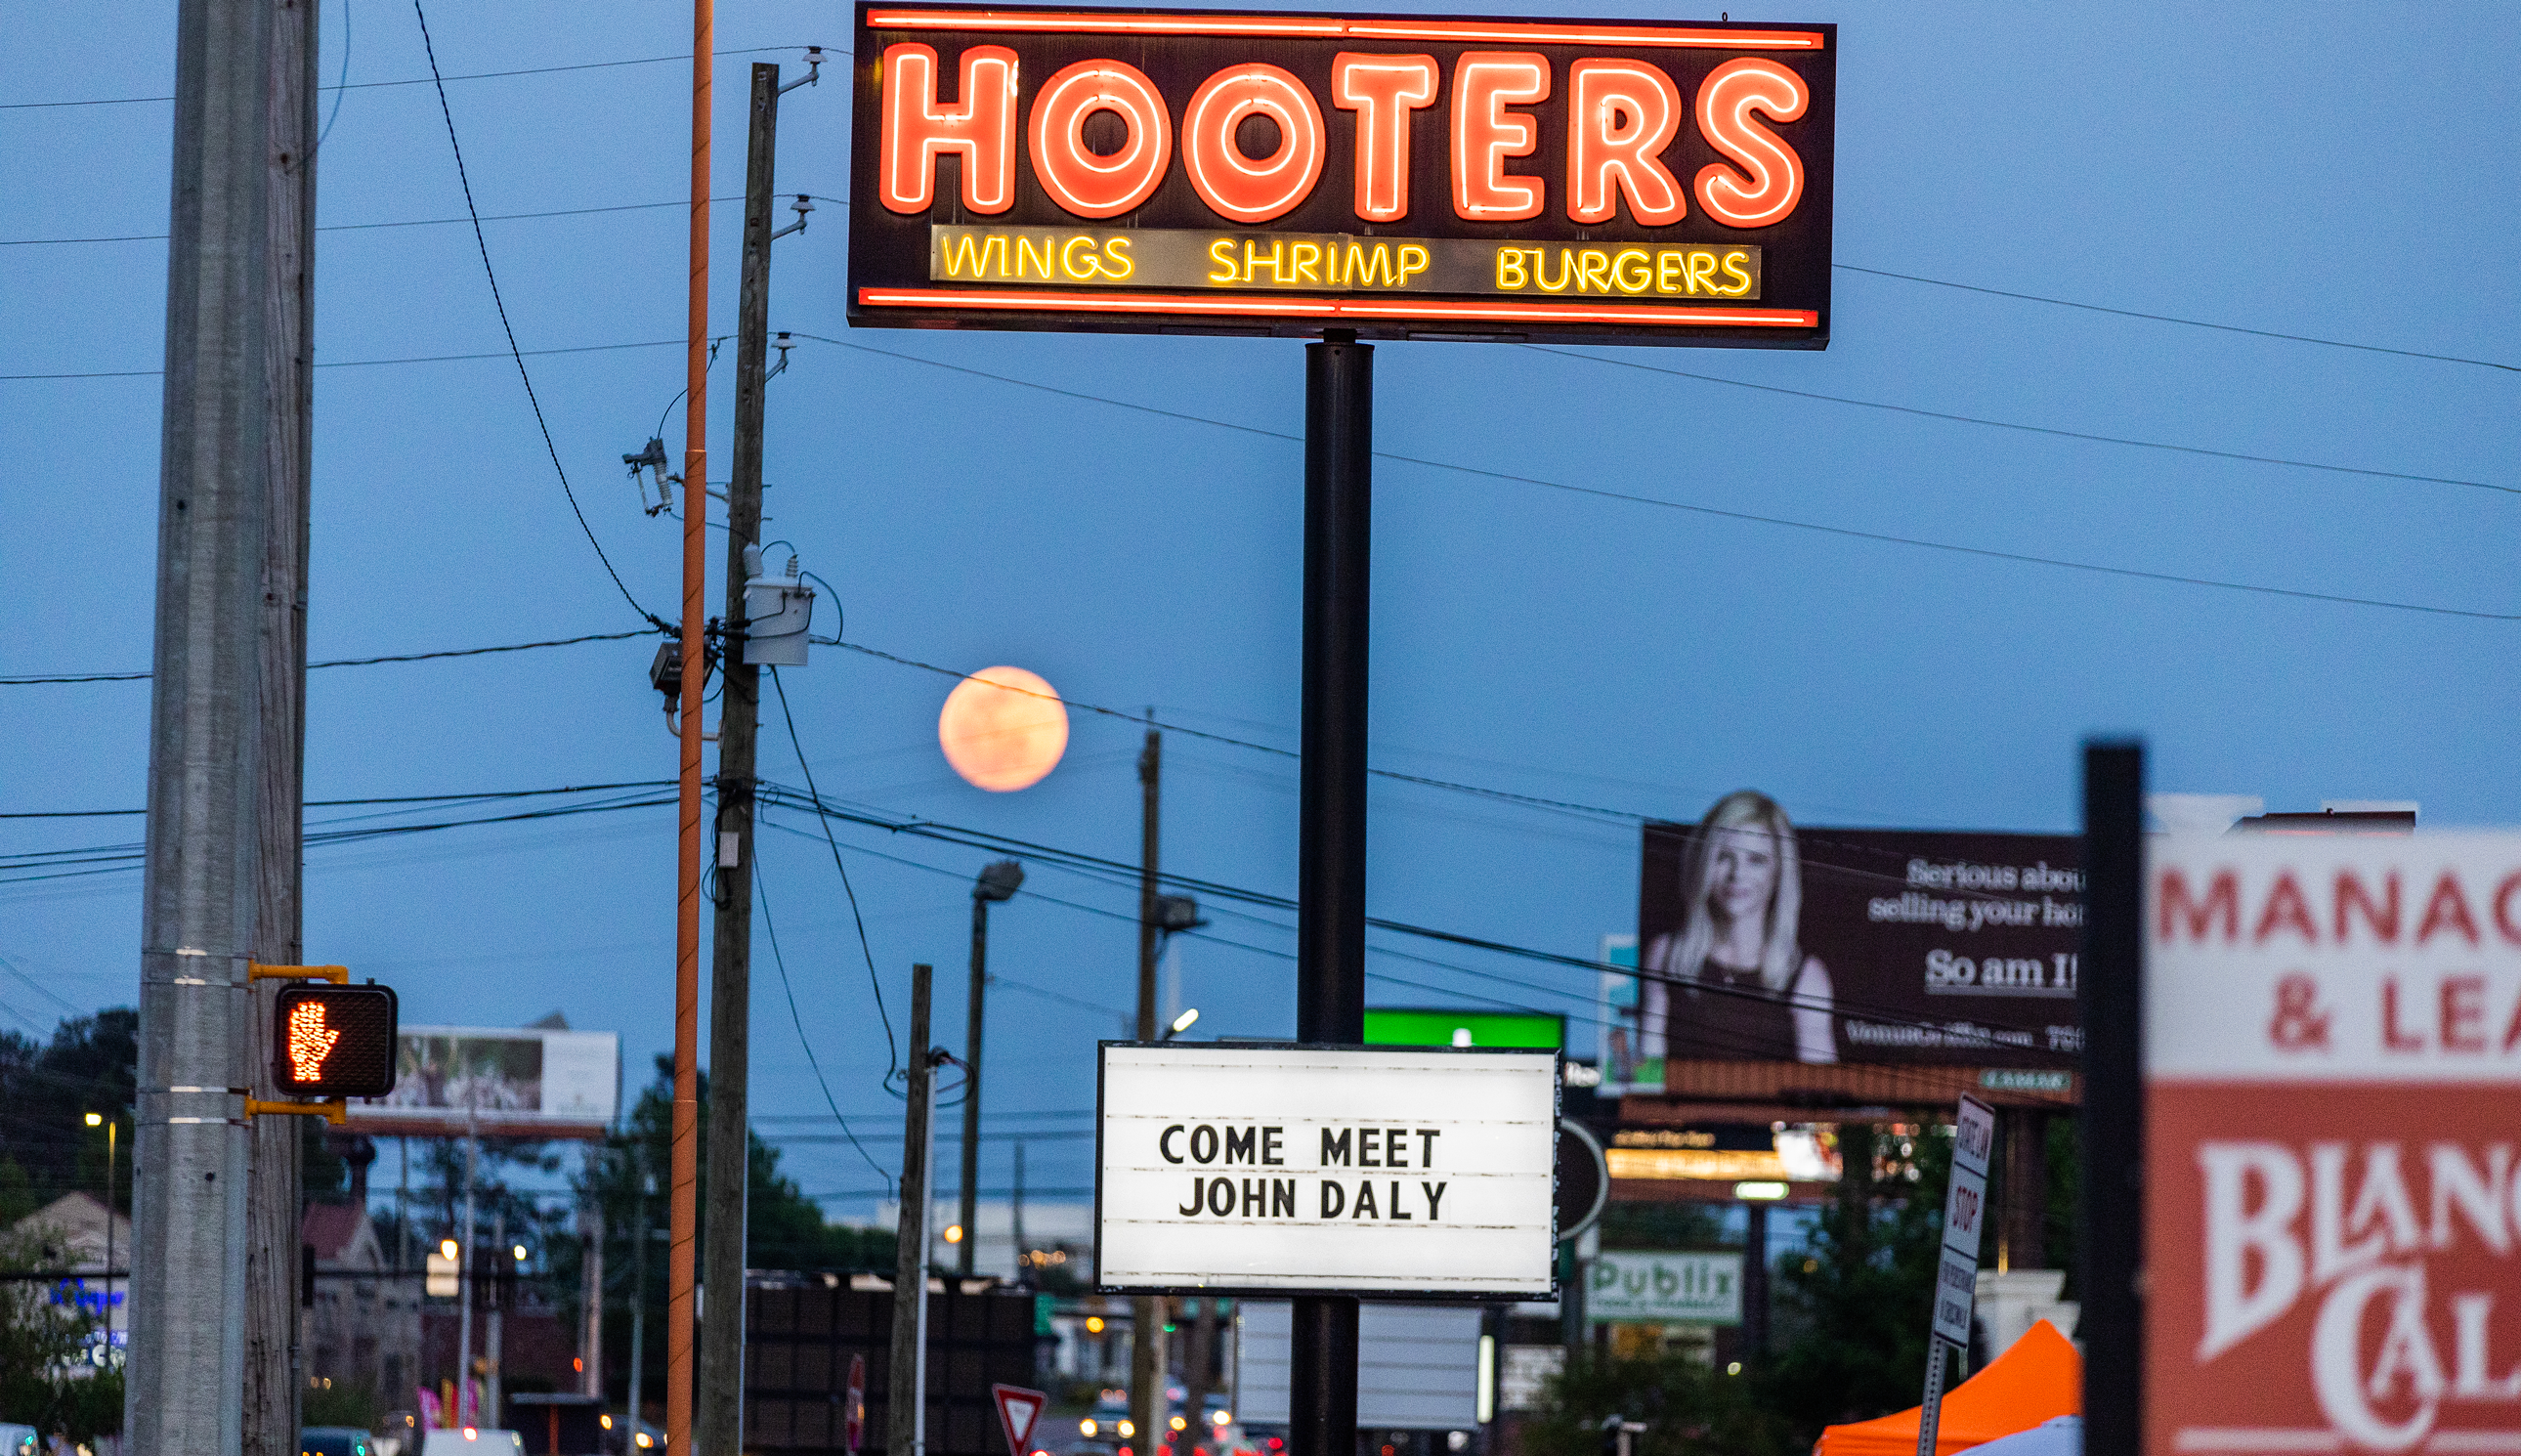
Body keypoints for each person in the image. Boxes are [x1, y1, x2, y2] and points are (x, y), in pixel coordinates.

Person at [1640, 791, 1837, 1064]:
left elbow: (1821, 1094)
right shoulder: (1666, 955)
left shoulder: (1806, 977)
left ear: (1779, 871)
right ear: (1705, 862)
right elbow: (1645, 1076)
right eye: (1724, 856)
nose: (1737, 874)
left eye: (1755, 860)